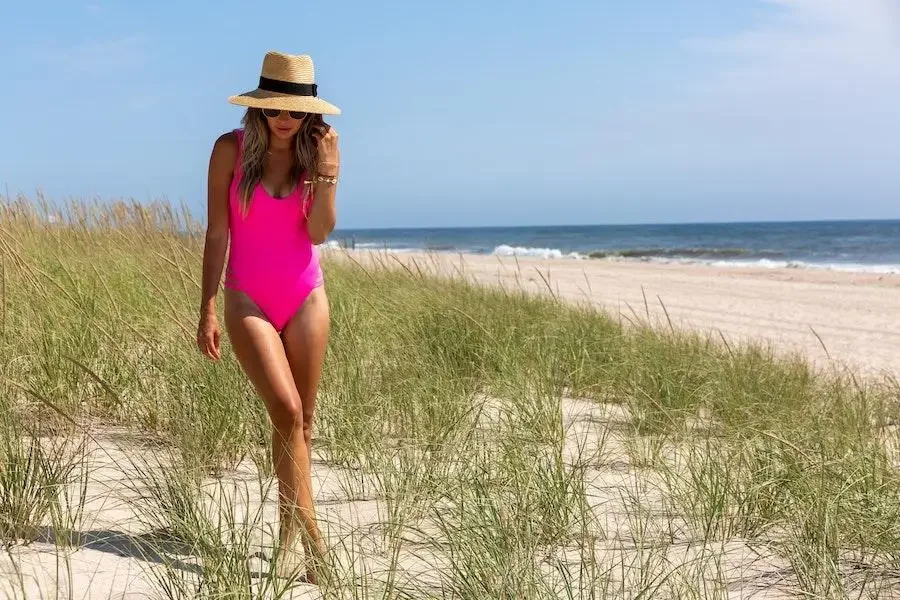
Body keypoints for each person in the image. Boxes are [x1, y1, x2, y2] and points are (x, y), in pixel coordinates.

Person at [195, 50, 341, 584]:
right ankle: (315, 540)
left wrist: (327, 174)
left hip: (306, 295)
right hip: (247, 297)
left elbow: (319, 233)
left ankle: (287, 542)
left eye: (296, 110)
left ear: (309, 113)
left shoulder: (317, 152)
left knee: (303, 421)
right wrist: (207, 306)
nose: (285, 118)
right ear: (258, 105)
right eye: (275, 107)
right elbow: (217, 232)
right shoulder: (228, 150)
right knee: (285, 407)